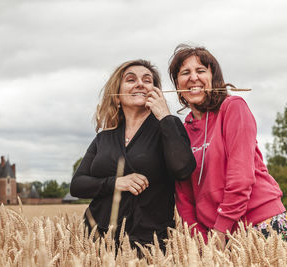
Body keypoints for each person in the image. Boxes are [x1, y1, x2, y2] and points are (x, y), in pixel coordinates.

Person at [70, 59, 196, 250]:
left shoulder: (168, 126)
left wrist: (164, 115)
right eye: (131, 79)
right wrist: (116, 182)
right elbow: (77, 185)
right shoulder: (104, 137)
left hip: (148, 243)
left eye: (147, 80)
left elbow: (183, 169)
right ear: (117, 95)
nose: (140, 83)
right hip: (96, 240)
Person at [168, 44, 286, 245]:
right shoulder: (182, 131)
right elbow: (183, 195)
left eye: (201, 70)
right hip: (213, 237)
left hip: (259, 222)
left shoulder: (232, 108)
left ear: (213, 78)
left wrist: (221, 229)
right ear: (177, 83)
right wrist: (203, 241)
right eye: (185, 72)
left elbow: (240, 177)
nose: (193, 77)